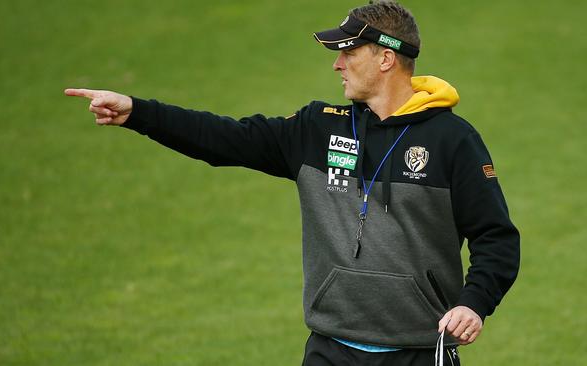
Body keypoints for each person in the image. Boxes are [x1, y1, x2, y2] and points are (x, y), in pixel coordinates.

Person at [65, 1, 520, 365]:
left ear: (386, 58)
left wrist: (473, 303)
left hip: (418, 351)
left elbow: (496, 238)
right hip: (330, 347)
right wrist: (138, 113)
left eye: (348, 52)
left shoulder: (452, 141)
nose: (337, 65)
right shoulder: (317, 129)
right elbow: (227, 138)